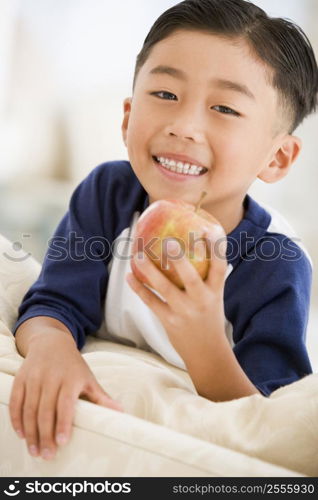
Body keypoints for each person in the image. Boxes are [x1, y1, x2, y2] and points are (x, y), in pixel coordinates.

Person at [9, 0, 318, 461]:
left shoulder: (276, 264)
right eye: (166, 95)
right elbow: (55, 301)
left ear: (276, 158)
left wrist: (203, 341)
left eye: (225, 108)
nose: (184, 126)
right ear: (128, 116)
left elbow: (268, 420)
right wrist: (52, 348)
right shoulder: (108, 194)